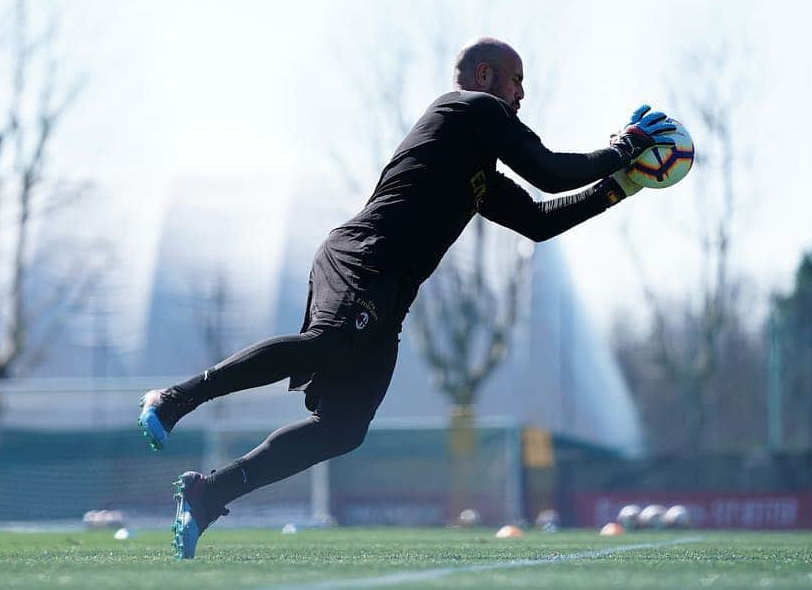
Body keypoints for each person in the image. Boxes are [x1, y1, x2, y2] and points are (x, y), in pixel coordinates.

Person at [138, 37, 674, 558]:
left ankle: (209, 494)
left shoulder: (475, 165)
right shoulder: (470, 107)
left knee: (342, 430)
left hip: (389, 289)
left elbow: (537, 220)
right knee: (328, 344)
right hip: (363, 256)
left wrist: (620, 185)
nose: (521, 95)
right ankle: (175, 398)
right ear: (485, 76)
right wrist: (624, 147)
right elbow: (550, 170)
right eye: (517, 81)